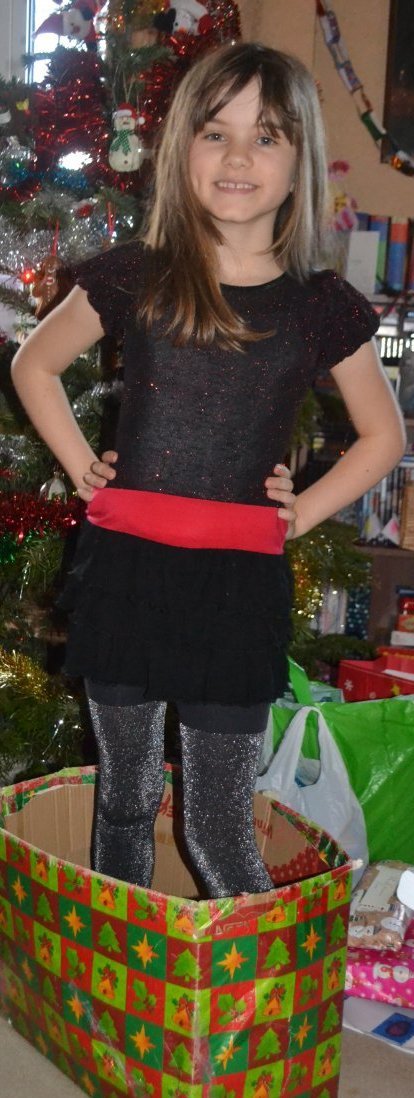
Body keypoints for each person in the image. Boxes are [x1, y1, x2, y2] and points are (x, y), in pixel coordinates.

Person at [12, 42, 405, 900]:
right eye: (216, 133)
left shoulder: (318, 305)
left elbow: (384, 436)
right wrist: (81, 467)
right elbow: (33, 364)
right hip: (126, 573)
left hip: (236, 590)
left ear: (298, 162)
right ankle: (124, 966)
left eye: (265, 137)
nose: (237, 157)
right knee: (123, 801)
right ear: (183, 147)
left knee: (217, 826)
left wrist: (301, 512)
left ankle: (261, 979)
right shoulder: (136, 275)